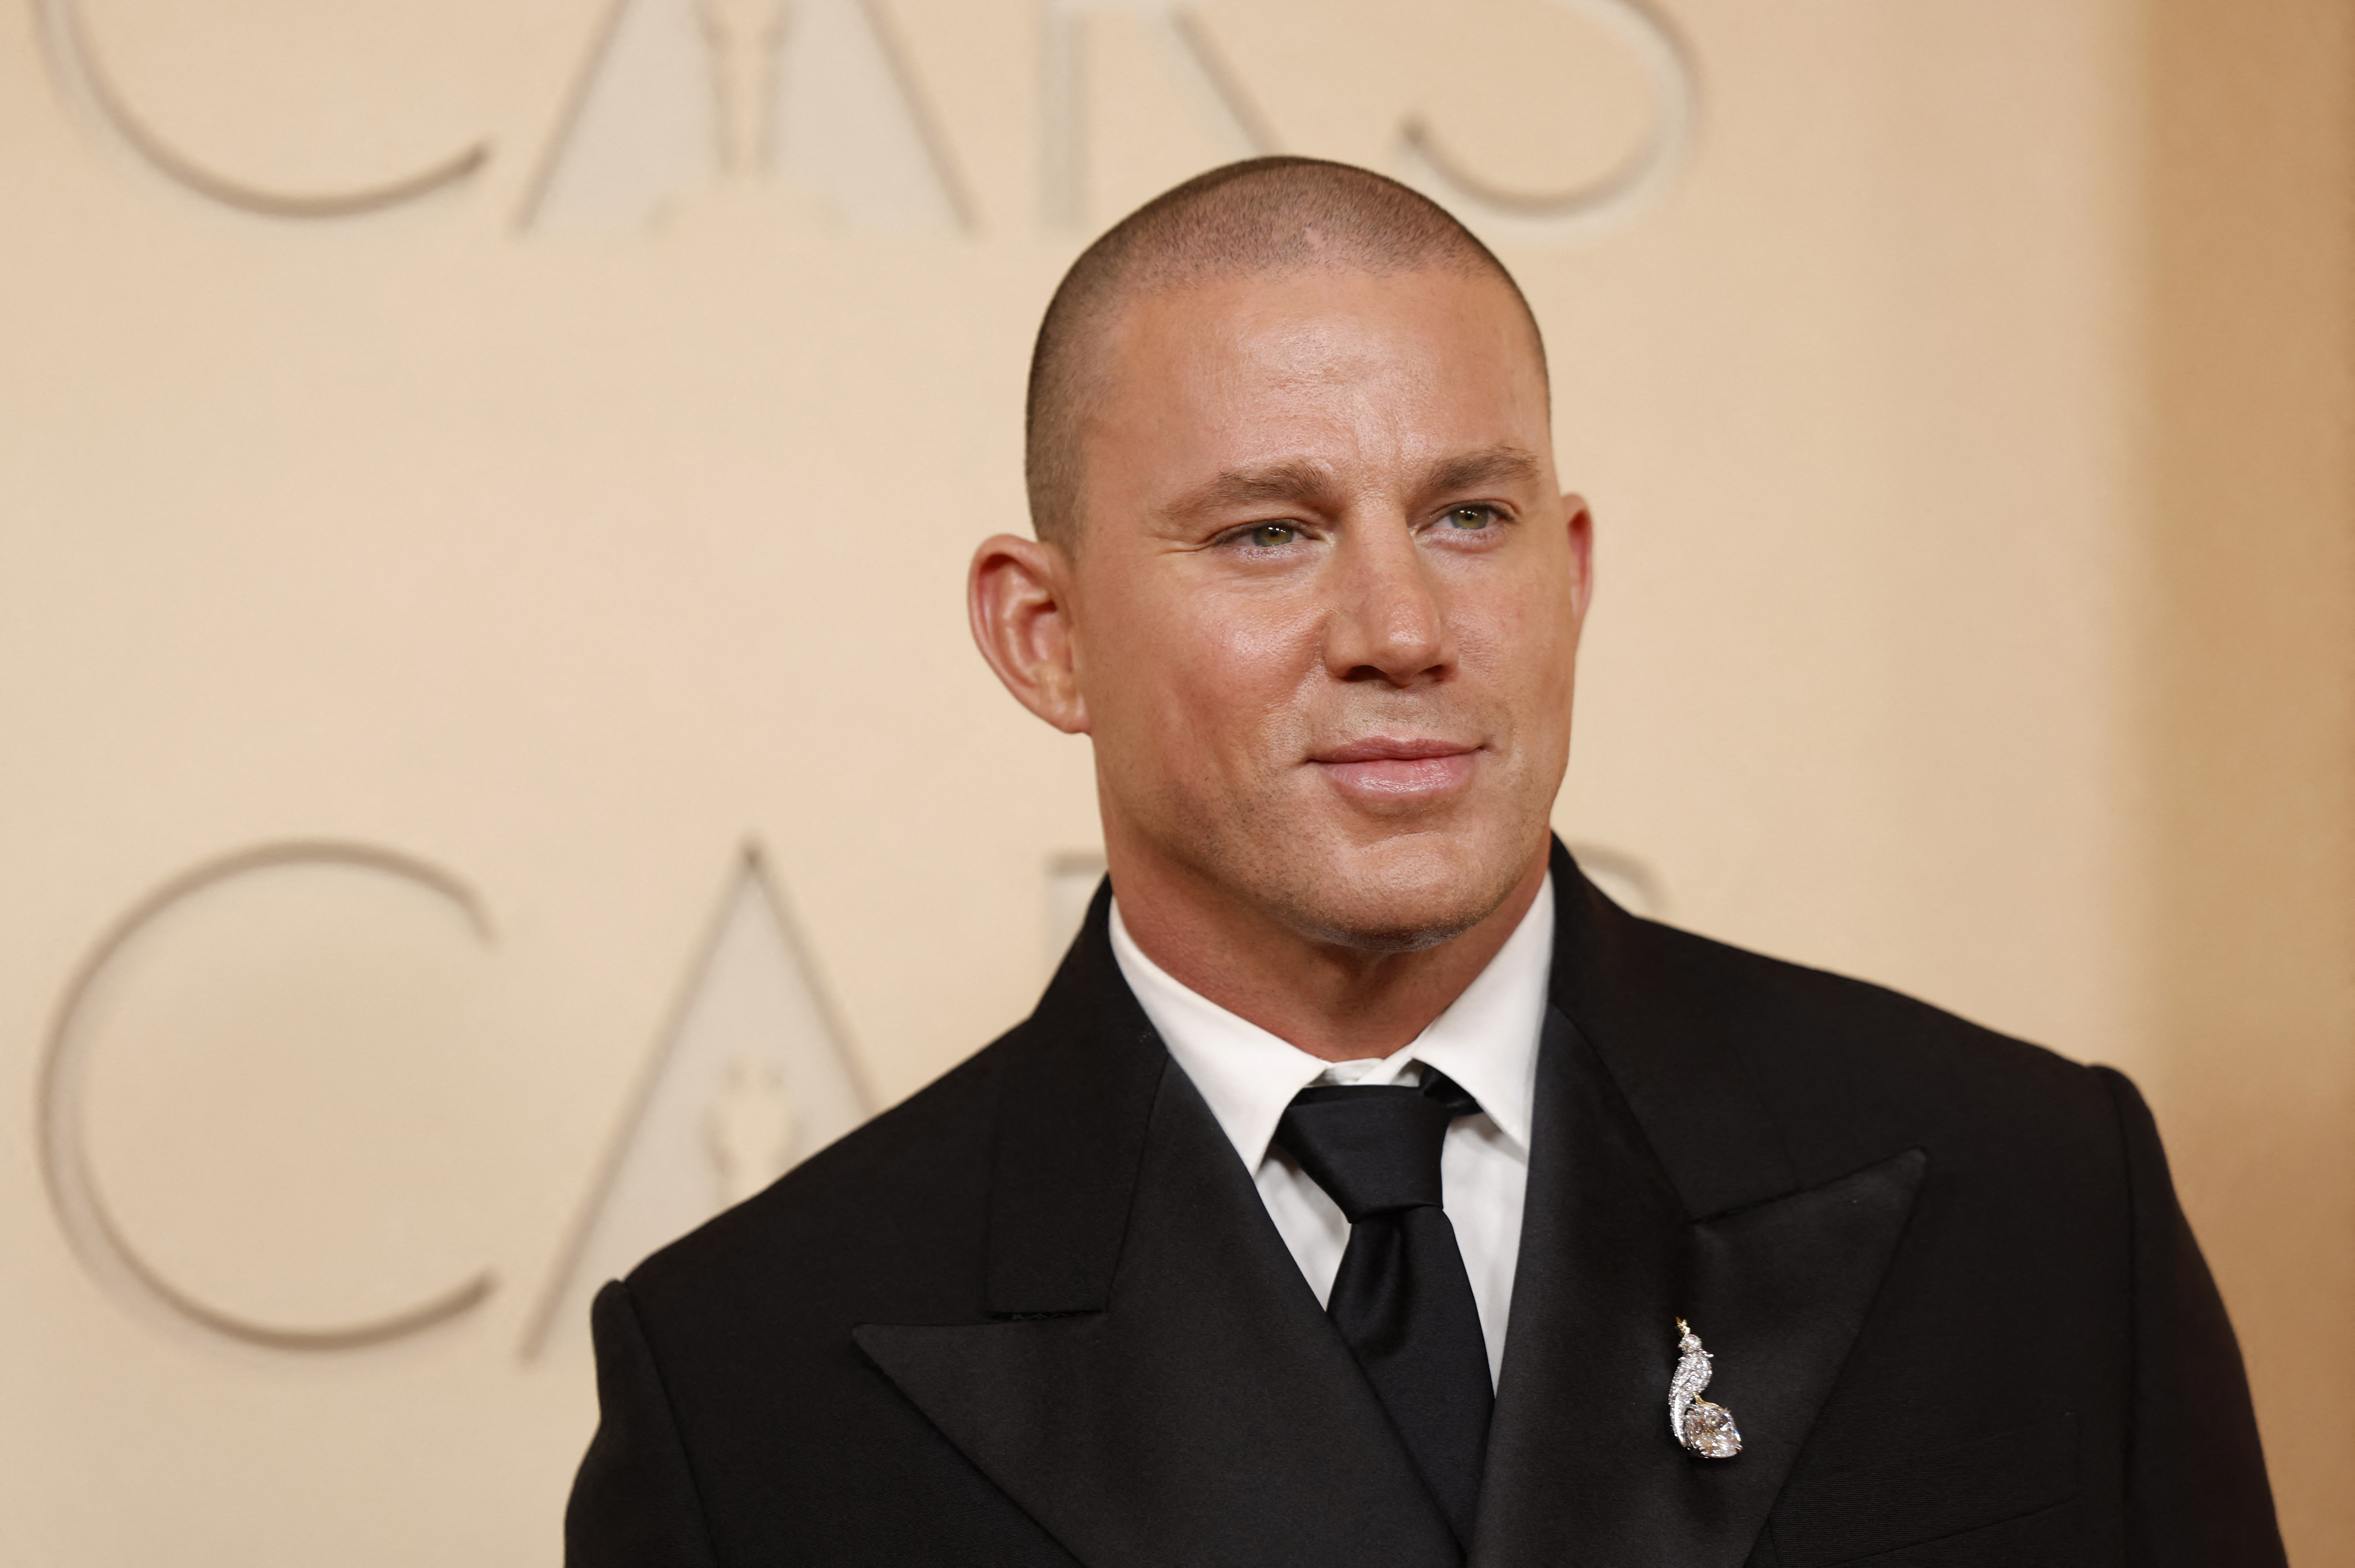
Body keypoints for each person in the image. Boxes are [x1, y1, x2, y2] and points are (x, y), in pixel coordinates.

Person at [565, 157, 2282, 1567]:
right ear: (1048, 636)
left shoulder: (2037, 1200)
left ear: (1574, 572)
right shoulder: (750, 1376)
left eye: (1472, 517)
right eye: (1269, 532)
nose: (1402, 628)